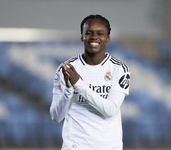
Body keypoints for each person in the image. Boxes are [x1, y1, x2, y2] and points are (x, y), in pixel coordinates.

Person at [50, 14, 130, 150]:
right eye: (88, 33)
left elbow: (110, 110)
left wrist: (79, 85)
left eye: (100, 33)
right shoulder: (67, 69)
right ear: (82, 36)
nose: (94, 37)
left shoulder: (119, 69)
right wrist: (69, 91)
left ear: (108, 38)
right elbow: (56, 116)